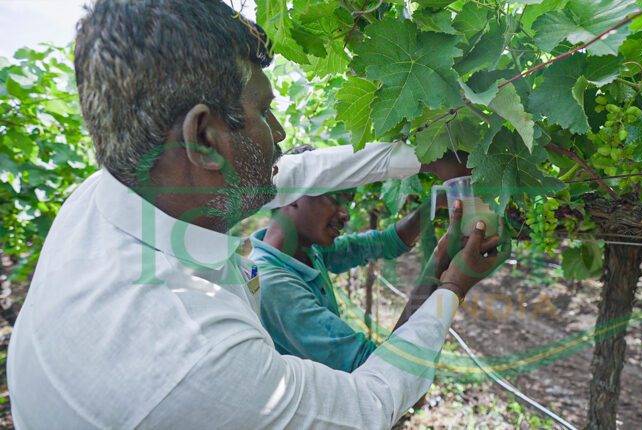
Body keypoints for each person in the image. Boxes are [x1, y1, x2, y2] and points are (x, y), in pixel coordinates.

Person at [7, 1, 503, 428]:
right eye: (265, 112)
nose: (282, 131)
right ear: (204, 138)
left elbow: (292, 174)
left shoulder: (104, 198)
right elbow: (368, 406)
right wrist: (452, 287)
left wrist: (422, 153)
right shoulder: (195, 356)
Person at [251, 146, 499, 372]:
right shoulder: (275, 287)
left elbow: (382, 242)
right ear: (294, 194)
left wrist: (433, 205)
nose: (345, 214)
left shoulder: (304, 251)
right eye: (335, 198)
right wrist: (448, 278)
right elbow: (375, 370)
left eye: (348, 202)